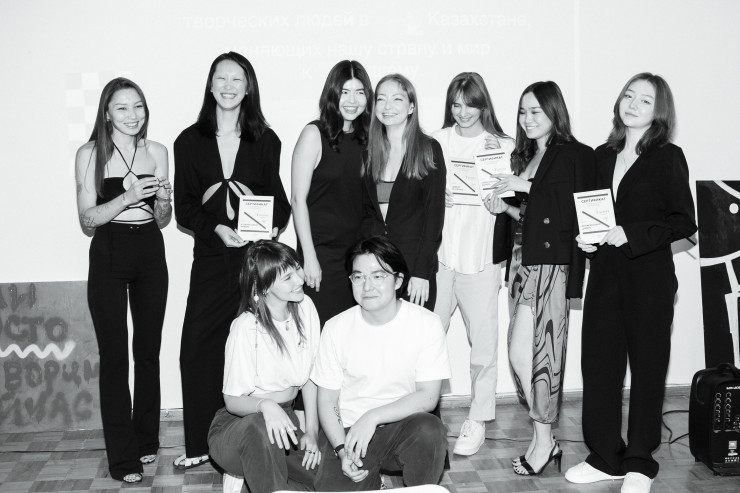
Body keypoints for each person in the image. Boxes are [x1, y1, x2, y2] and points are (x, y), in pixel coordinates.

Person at [565, 74, 696, 493]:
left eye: (645, 100)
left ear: (659, 111)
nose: (633, 104)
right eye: (628, 95)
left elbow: (684, 223)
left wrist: (633, 234)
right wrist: (586, 240)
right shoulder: (601, 155)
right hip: (605, 274)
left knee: (647, 367)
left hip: (649, 278)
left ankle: (640, 461)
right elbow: (592, 213)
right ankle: (606, 456)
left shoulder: (668, 156)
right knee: (599, 366)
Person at [173, 51, 291, 469]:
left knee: (252, 351)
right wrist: (216, 229)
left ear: (248, 87)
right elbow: (185, 207)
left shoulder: (266, 139)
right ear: (210, 85)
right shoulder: (189, 141)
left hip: (252, 263)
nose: (228, 86)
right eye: (221, 78)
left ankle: (255, 437)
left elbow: (279, 201)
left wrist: (271, 225)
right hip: (210, 257)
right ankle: (200, 444)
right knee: (196, 350)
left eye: (237, 79)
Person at [488, 81, 595, 476]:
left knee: (543, 355)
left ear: (554, 111)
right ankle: (544, 438)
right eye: (522, 111)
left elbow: (576, 210)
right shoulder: (526, 155)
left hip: (551, 265)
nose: (527, 119)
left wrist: (526, 187)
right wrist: (505, 207)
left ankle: (545, 440)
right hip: (521, 263)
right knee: (520, 354)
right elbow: (527, 217)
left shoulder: (575, 154)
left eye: (535, 111)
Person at [75, 77, 171, 484]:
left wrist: (162, 201)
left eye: (138, 107)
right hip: (109, 252)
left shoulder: (157, 151)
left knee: (148, 352)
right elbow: (87, 219)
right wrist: (127, 197)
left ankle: (147, 439)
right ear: (107, 113)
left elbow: (163, 219)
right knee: (114, 356)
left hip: (149, 249)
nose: (133, 115)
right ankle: (122, 457)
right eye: (122, 108)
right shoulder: (89, 154)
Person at [312, 236, 450, 490]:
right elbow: (327, 399)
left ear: (398, 280)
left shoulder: (427, 324)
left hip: (402, 428)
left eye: (378, 276)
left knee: (430, 429)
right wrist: (341, 449)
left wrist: (373, 417)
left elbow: (429, 396)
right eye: (358, 277)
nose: (367, 286)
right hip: (350, 433)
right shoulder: (335, 328)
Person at [431, 72, 514, 456]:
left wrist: (503, 203)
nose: (463, 112)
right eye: (456, 104)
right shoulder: (436, 142)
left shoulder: (503, 146)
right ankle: (423, 414)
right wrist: (435, 197)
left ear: (484, 105)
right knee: (426, 341)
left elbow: (518, 203)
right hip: (439, 260)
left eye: (471, 104)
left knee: (483, 348)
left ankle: (478, 419)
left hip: (481, 261)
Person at [207, 241, 322, 493]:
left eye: (297, 268)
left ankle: (255, 478)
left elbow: (311, 377)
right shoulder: (246, 327)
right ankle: (248, 473)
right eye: (288, 277)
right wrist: (266, 405)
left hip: (285, 422)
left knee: (330, 477)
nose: (300, 279)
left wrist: (311, 431)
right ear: (264, 286)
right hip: (240, 425)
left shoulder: (305, 308)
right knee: (260, 428)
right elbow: (232, 401)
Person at [291, 60, 373, 325]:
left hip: (356, 256)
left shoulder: (368, 139)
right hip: (321, 255)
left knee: (352, 334)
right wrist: (309, 257)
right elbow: (297, 200)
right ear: (332, 94)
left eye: (359, 92)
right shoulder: (314, 134)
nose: (352, 101)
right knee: (321, 332)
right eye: (345, 92)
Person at [360, 74, 446, 310]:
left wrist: (421, 272)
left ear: (411, 107)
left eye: (397, 99)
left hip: (414, 269)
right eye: (381, 99)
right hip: (376, 267)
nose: (387, 106)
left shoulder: (428, 149)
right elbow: (368, 214)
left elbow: (434, 218)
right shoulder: (369, 152)